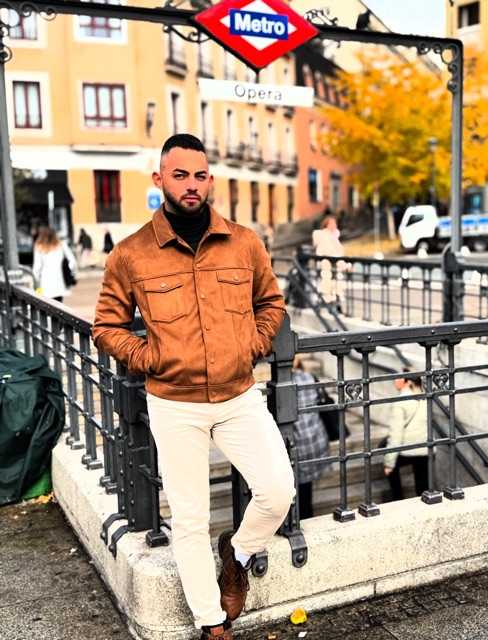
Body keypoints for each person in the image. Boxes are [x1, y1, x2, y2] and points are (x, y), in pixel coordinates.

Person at [92, 134, 294, 640]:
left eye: (200, 175)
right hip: (174, 403)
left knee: (277, 490)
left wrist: (252, 344)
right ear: (159, 179)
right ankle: (212, 623)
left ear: (209, 180)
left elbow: (271, 303)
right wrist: (152, 359)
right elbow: (106, 327)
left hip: (238, 395)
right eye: (180, 175)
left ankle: (237, 555)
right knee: (188, 519)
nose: (191, 185)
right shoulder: (132, 253)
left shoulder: (244, 242)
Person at [291, 355, 330, 519]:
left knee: (293, 490)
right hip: (315, 439)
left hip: (295, 443)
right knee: (305, 491)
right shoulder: (309, 377)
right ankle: (305, 517)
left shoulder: (283, 383)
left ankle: (295, 521)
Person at [383, 370, 429, 501]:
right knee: (422, 485)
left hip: (407, 449)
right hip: (425, 448)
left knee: (391, 468)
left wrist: (389, 463)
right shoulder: (426, 398)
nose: (395, 380)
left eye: (399, 378)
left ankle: (398, 499)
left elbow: (396, 435)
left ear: (408, 382)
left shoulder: (400, 402)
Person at [32, 227, 76, 303]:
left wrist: (36, 284)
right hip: (59, 283)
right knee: (58, 305)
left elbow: (37, 268)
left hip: (45, 284)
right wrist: (68, 270)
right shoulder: (61, 245)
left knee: (46, 306)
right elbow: (73, 261)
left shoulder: (39, 247)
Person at [311, 215, 345, 309]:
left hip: (335, 262)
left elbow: (339, 252)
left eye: (334, 223)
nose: (333, 225)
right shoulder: (323, 235)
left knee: (337, 281)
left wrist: (344, 264)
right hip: (326, 262)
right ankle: (328, 300)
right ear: (326, 225)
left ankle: (335, 299)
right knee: (327, 280)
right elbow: (327, 250)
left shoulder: (335, 237)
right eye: (331, 223)